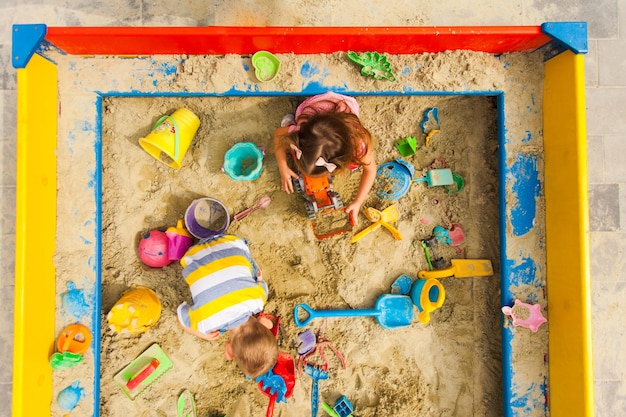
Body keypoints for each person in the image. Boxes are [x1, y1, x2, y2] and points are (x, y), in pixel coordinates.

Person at [176, 234, 278, 379]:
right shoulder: (205, 323)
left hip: (231, 241)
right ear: (228, 350)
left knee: (255, 276)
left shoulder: (258, 300)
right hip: (192, 254)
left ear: (264, 322)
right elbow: (180, 318)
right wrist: (200, 332)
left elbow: (262, 284)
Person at [274, 92, 376, 222]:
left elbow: (371, 170)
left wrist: (358, 202)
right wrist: (283, 166)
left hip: (341, 105)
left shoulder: (359, 145)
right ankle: (289, 125)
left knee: (354, 164)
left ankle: (289, 125)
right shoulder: (301, 131)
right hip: (314, 108)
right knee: (289, 141)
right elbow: (278, 134)